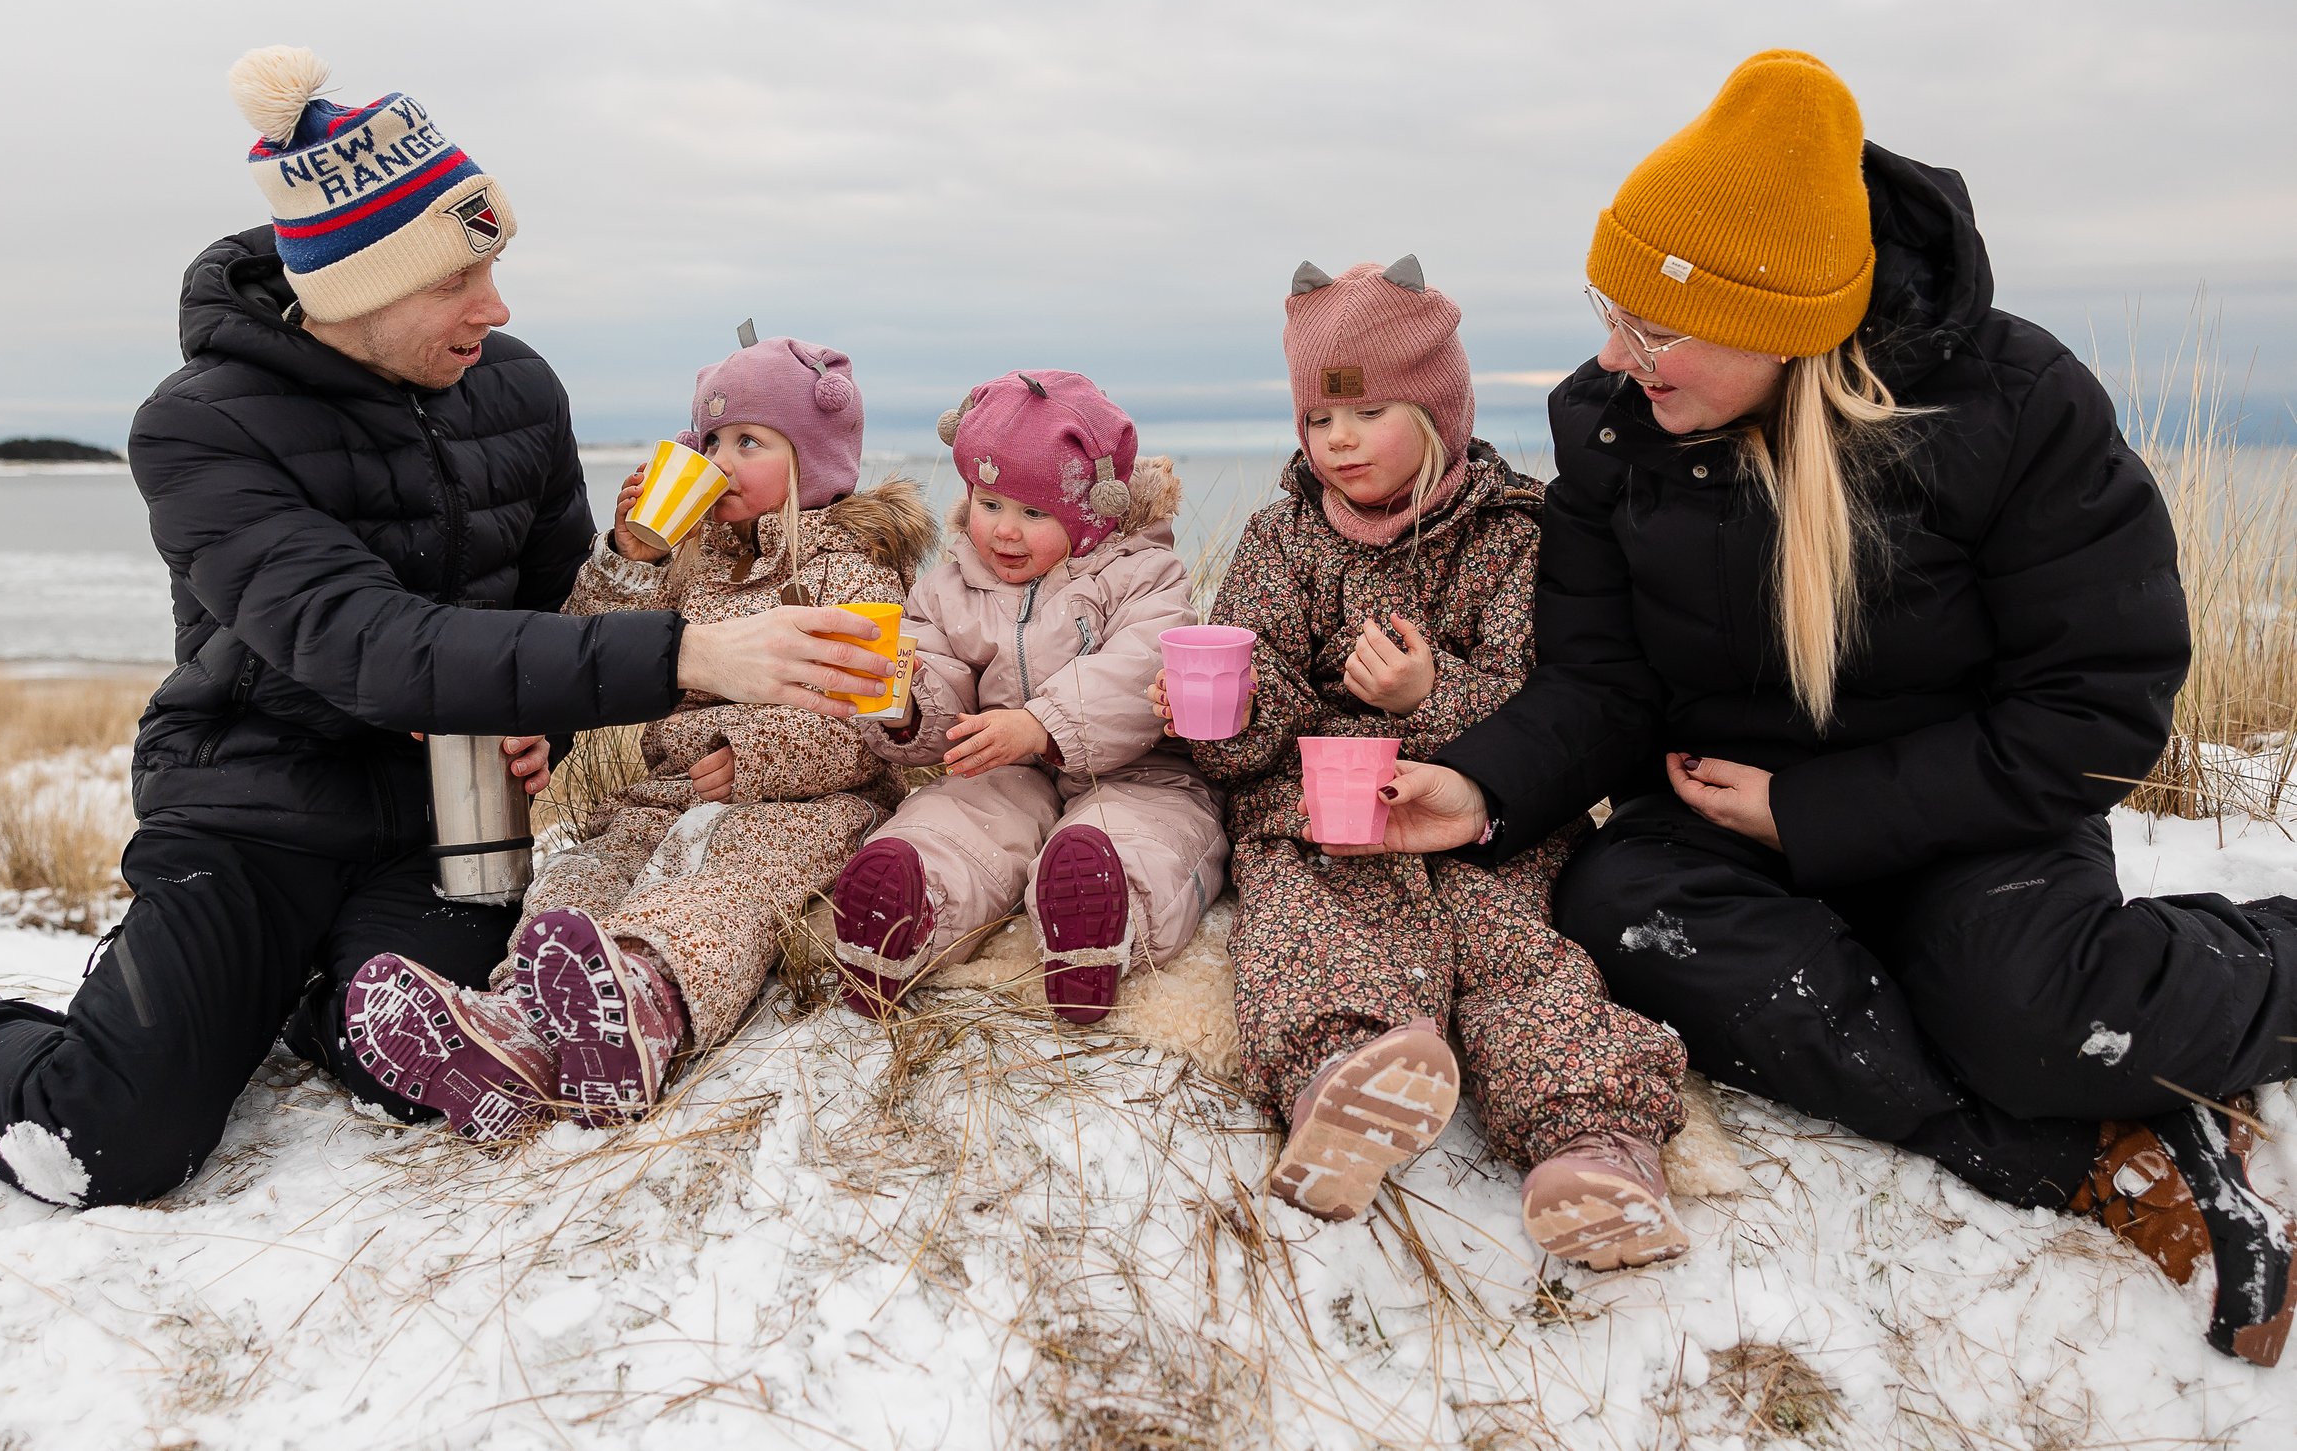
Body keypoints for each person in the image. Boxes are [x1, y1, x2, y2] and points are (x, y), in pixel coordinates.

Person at [0, 47, 888, 1206]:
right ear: (352, 287)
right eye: (458, 279)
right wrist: (690, 655)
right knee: (112, 1138)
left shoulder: (519, 389)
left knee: (438, 1064)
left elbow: (545, 612)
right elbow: (369, 643)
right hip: (252, 805)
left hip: (443, 823)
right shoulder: (199, 429)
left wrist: (545, 736)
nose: (497, 305)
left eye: (496, 262)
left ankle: (296, 998)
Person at [1361, 49, 2297, 1362]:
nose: (1613, 355)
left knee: (2030, 1017)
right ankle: (2049, 1150)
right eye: (1609, 309)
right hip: (1707, 818)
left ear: (1784, 319)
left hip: (1972, 812)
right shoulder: (1618, 433)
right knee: (1621, 911)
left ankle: (2251, 976)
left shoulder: (2015, 408)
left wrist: (1819, 811)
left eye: (1656, 326)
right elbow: (1603, 682)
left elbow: (2094, 709)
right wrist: (1482, 780)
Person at [1153, 259, 1691, 1266]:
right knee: (1309, 923)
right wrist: (1216, 714)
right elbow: (1255, 667)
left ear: (1439, 409)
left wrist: (1426, 699)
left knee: (1511, 952)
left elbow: (1558, 702)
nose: (1338, 441)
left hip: (1482, 814)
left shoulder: (1516, 535)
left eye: (1369, 412)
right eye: (1317, 421)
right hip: (1321, 809)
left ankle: (1593, 1138)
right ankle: (1344, 1080)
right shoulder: (1282, 538)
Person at [341, 333, 935, 1131]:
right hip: (668, 789)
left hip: (804, 806)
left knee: (723, 892)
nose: (719, 458)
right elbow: (579, 649)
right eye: (709, 439)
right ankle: (520, 1022)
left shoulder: (848, 567)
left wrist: (756, 756)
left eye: (749, 442)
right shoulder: (691, 557)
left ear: (813, 460)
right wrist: (634, 552)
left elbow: (861, 715)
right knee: (585, 872)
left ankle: (646, 1010)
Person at [830, 370, 1228, 1024]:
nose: (1005, 532)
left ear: (1093, 513)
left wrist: (1042, 725)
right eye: (989, 504)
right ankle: (901, 918)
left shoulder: (1143, 573)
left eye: (1034, 513)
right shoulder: (950, 587)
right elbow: (936, 668)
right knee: (956, 817)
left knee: (1140, 834)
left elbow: (1141, 665)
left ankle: (1098, 928)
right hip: (1008, 771)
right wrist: (905, 708)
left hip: (1139, 770)